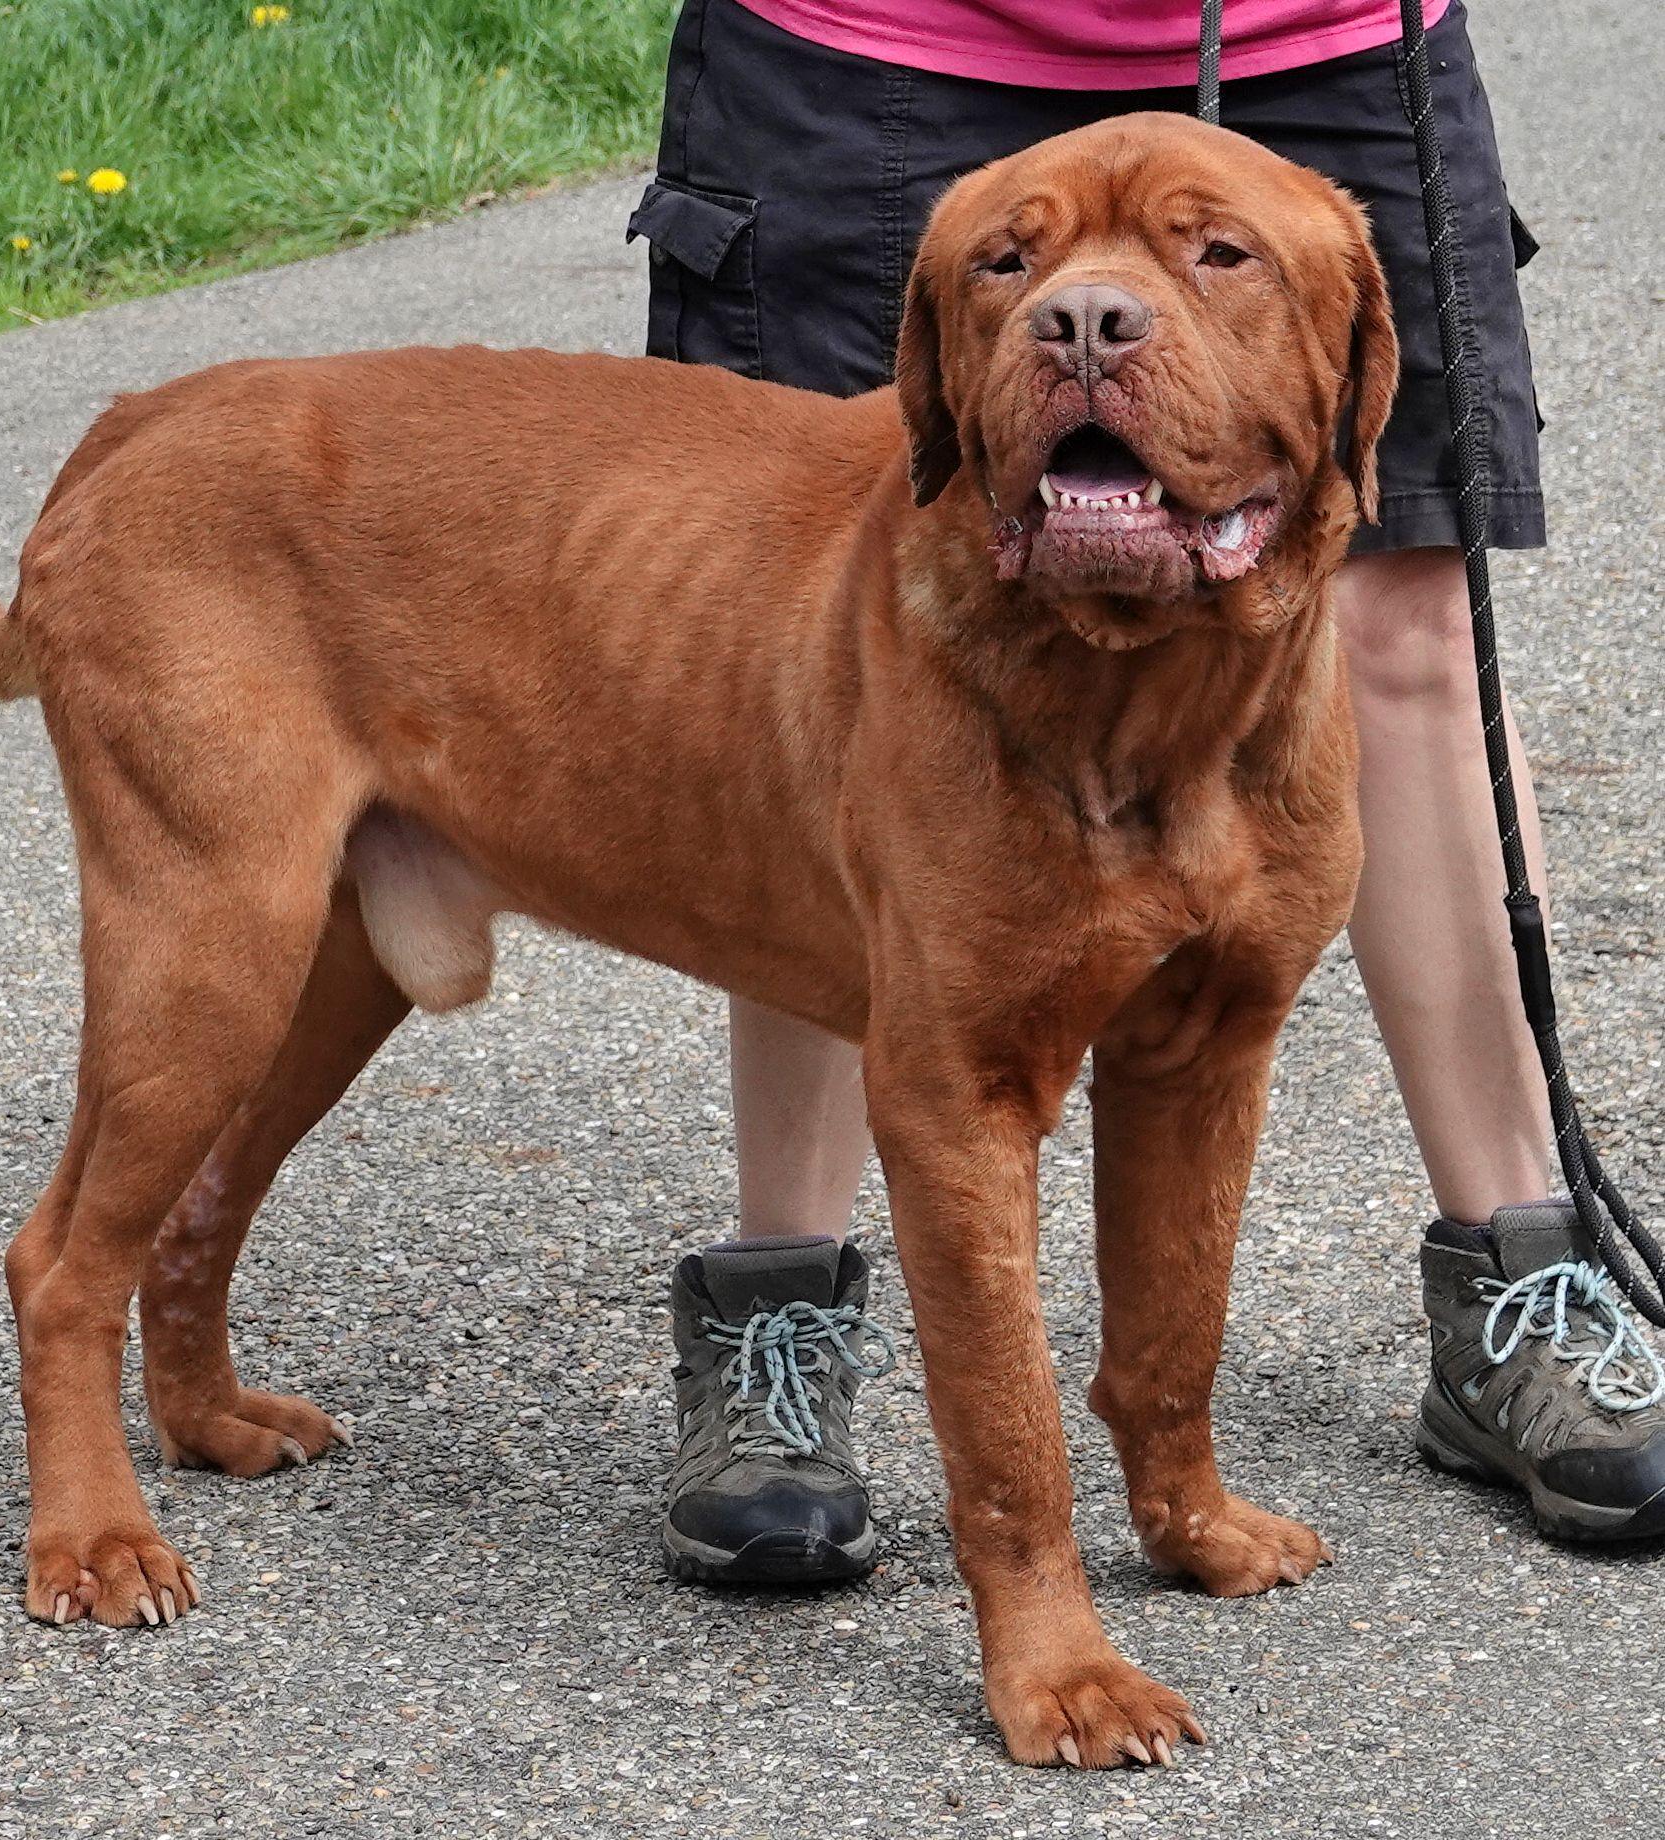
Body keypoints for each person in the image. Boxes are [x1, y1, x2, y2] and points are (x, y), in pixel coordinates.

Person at [633, 0, 1665, 1584]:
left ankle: (1524, 1268)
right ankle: (781, 1301)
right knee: (837, 645)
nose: (1094, 314)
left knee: (1401, 609)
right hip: (876, 40)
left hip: (1313, 33)